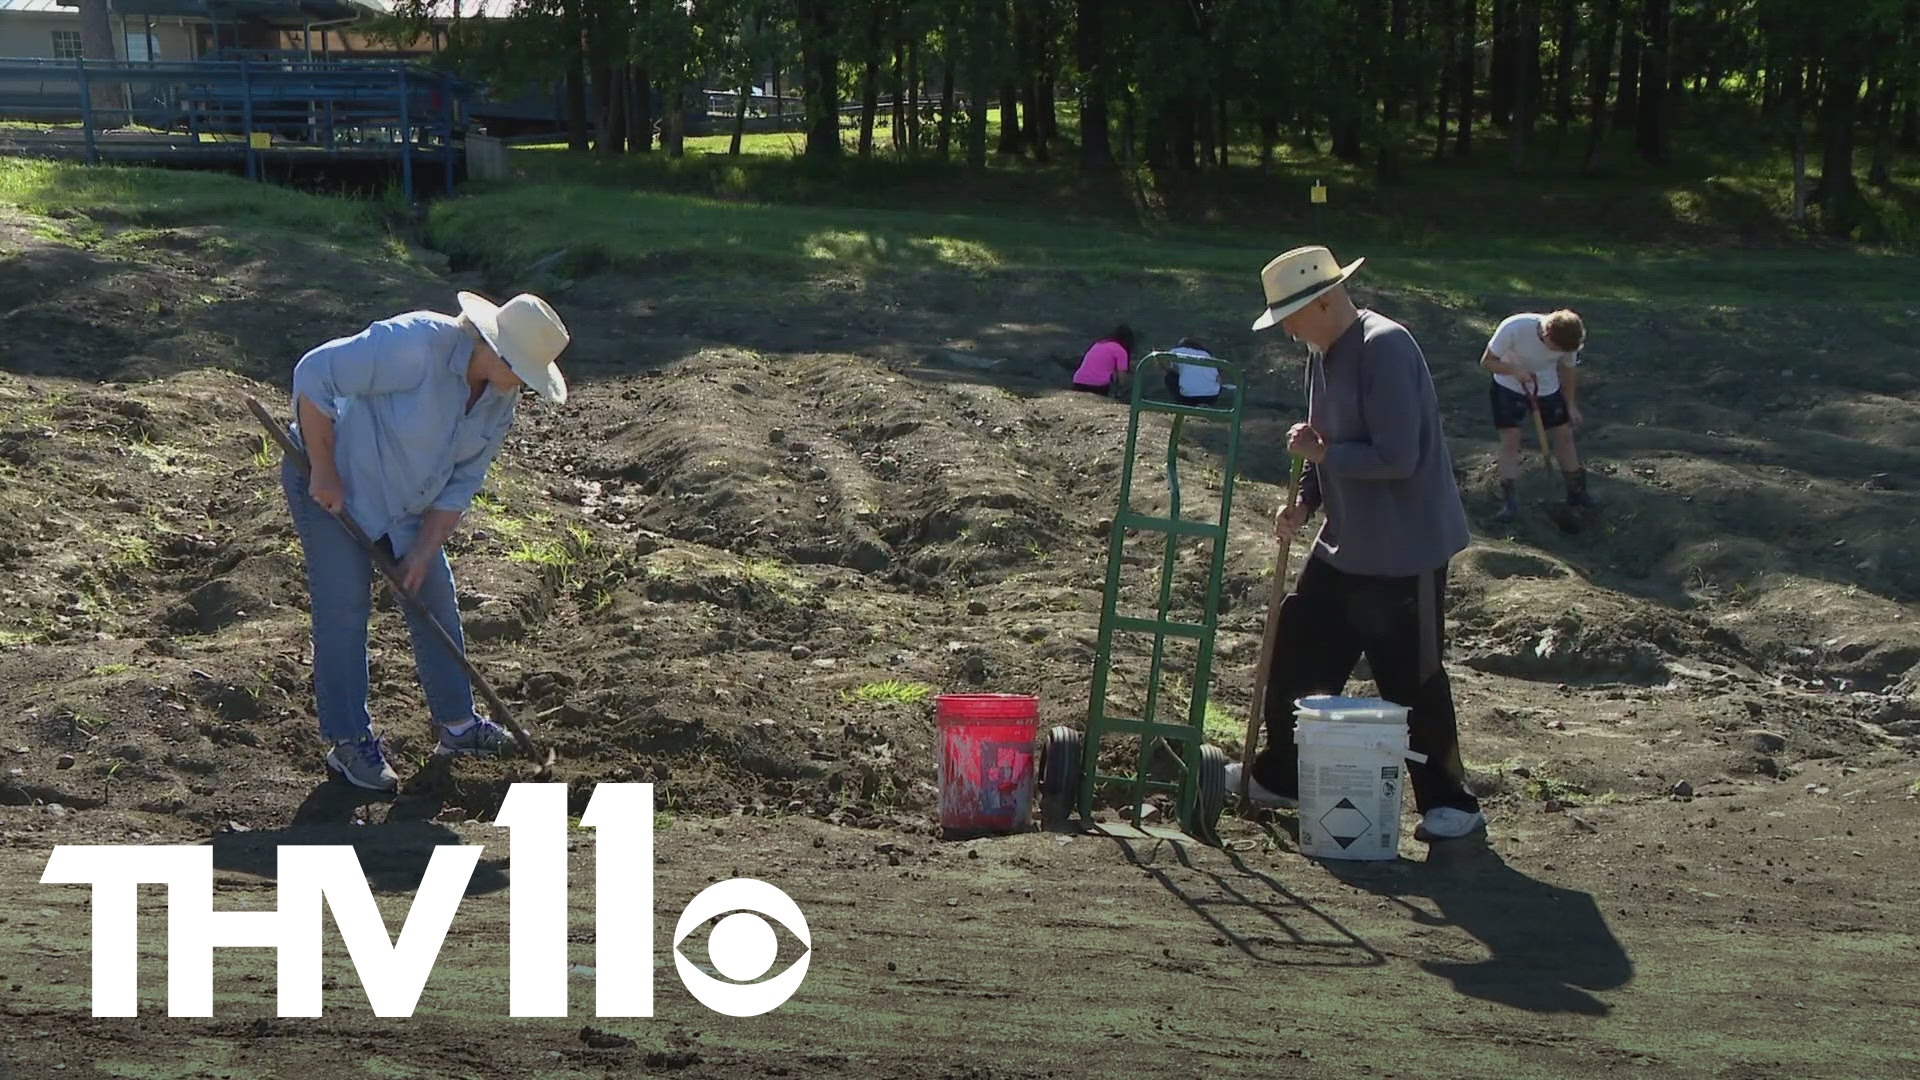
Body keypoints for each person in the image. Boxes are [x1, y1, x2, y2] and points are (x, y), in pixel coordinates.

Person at [1224, 245, 1486, 842]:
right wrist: (1307, 500)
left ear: (1321, 300)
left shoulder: (1385, 347)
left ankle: (1454, 806)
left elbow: (1397, 456)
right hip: (1344, 546)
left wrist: (1322, 455)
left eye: (1290, 315)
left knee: (1412, 679)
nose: (1286, 329)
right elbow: (1328, 444)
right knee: (1298, 656)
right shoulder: (1320, 354)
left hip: (1404, 551)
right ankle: (1283, 776)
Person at [279, 291, 572, 792]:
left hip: (408, 505)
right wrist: (325, 471)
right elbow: (315, 373)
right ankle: (349, 741)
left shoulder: (500, 400)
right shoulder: (416, 345)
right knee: (345, 607)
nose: (524, 386)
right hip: (335, 484)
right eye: (522, 371)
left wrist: (421, 552)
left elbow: (462, 480)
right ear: (497, 351)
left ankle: (458, 727)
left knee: (433, 595)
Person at [1482, 309, 1594, 521]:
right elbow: (1487, 362)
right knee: (1511, 440)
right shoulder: (1514, 327)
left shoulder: (1568, 339)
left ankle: (1577, 493)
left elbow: (1568, 371)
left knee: (1565, 435)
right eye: (1556, 348)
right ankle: (1510, 503)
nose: (1559, 352)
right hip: (1508, 387)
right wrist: (1514, 371)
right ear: (1546, 334)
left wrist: (1570, 404)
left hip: (1546, 389)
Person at [1070, 324, 1136, 397]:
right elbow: (1122, 378)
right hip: (1097, 385)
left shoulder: (1098, 344)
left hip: (1079, 380)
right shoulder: (1120, 351)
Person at [1163, 337, 1224, 406]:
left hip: (1188, 397)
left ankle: (1180, 404)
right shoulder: (1206, 354)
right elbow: (1218, 377)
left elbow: (1164, 360)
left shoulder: (1177, 351)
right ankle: (1206, 404)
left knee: (1170, 377)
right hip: (1212, 396)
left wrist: (1167, 369)